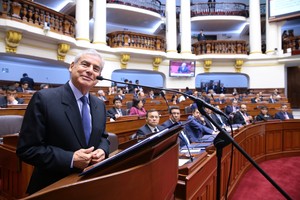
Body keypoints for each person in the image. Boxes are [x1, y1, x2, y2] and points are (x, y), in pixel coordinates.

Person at [16, 49, 110, 194]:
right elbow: (27, 149)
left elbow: (103, 137)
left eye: (96, 68)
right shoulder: (44, 99)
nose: (90, 71)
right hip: (52, 187)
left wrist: (102, 150)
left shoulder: (99, 104)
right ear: (72, 66)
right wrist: (70, 159)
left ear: (98, 76)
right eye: (85, 64)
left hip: (89, 185)